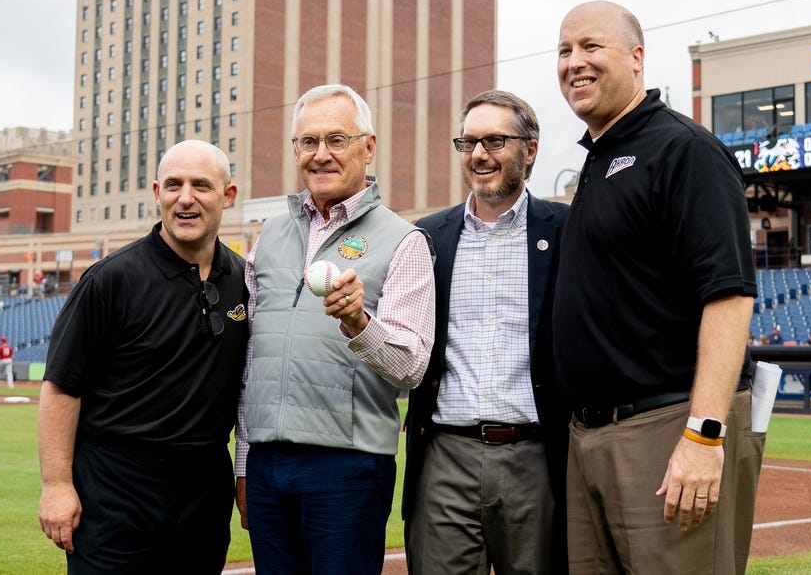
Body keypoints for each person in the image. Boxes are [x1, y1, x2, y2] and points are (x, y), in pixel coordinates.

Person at [553, 1, 761, 573]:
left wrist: (704, 435)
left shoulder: (683, 149)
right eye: (565, 50)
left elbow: (730, 295)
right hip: (590, 435)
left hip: (664, 427)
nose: (575, 62)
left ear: (637, 57)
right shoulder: (601, 157)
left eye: (591, 46)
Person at [234, 84, 436, 574]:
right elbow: (250, 360)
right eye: (308, 142)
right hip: (265, 464)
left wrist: (359, 322)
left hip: (347, 468)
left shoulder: (404, 241)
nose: (320, 154)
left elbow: (410, 367)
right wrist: (243, 463)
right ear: (295, 151)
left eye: (337, 140)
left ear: (367, 147)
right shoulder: (270, 235)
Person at [37, 140, 249, 572]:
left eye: (201, 186)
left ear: (228, 196)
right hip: (116, 488)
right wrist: (56, 484)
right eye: (173, 185)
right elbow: (60, 387)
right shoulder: (110, 280)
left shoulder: (247, 281)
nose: (185, 198)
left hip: (205, 487)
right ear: (157, 193)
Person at [403, 90, 570, 574]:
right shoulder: (427, 235)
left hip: (535, 457)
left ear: (530, 150)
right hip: (444, 457)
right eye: (469, 142)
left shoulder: (566, 229)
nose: (479, 154)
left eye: (495, 141)